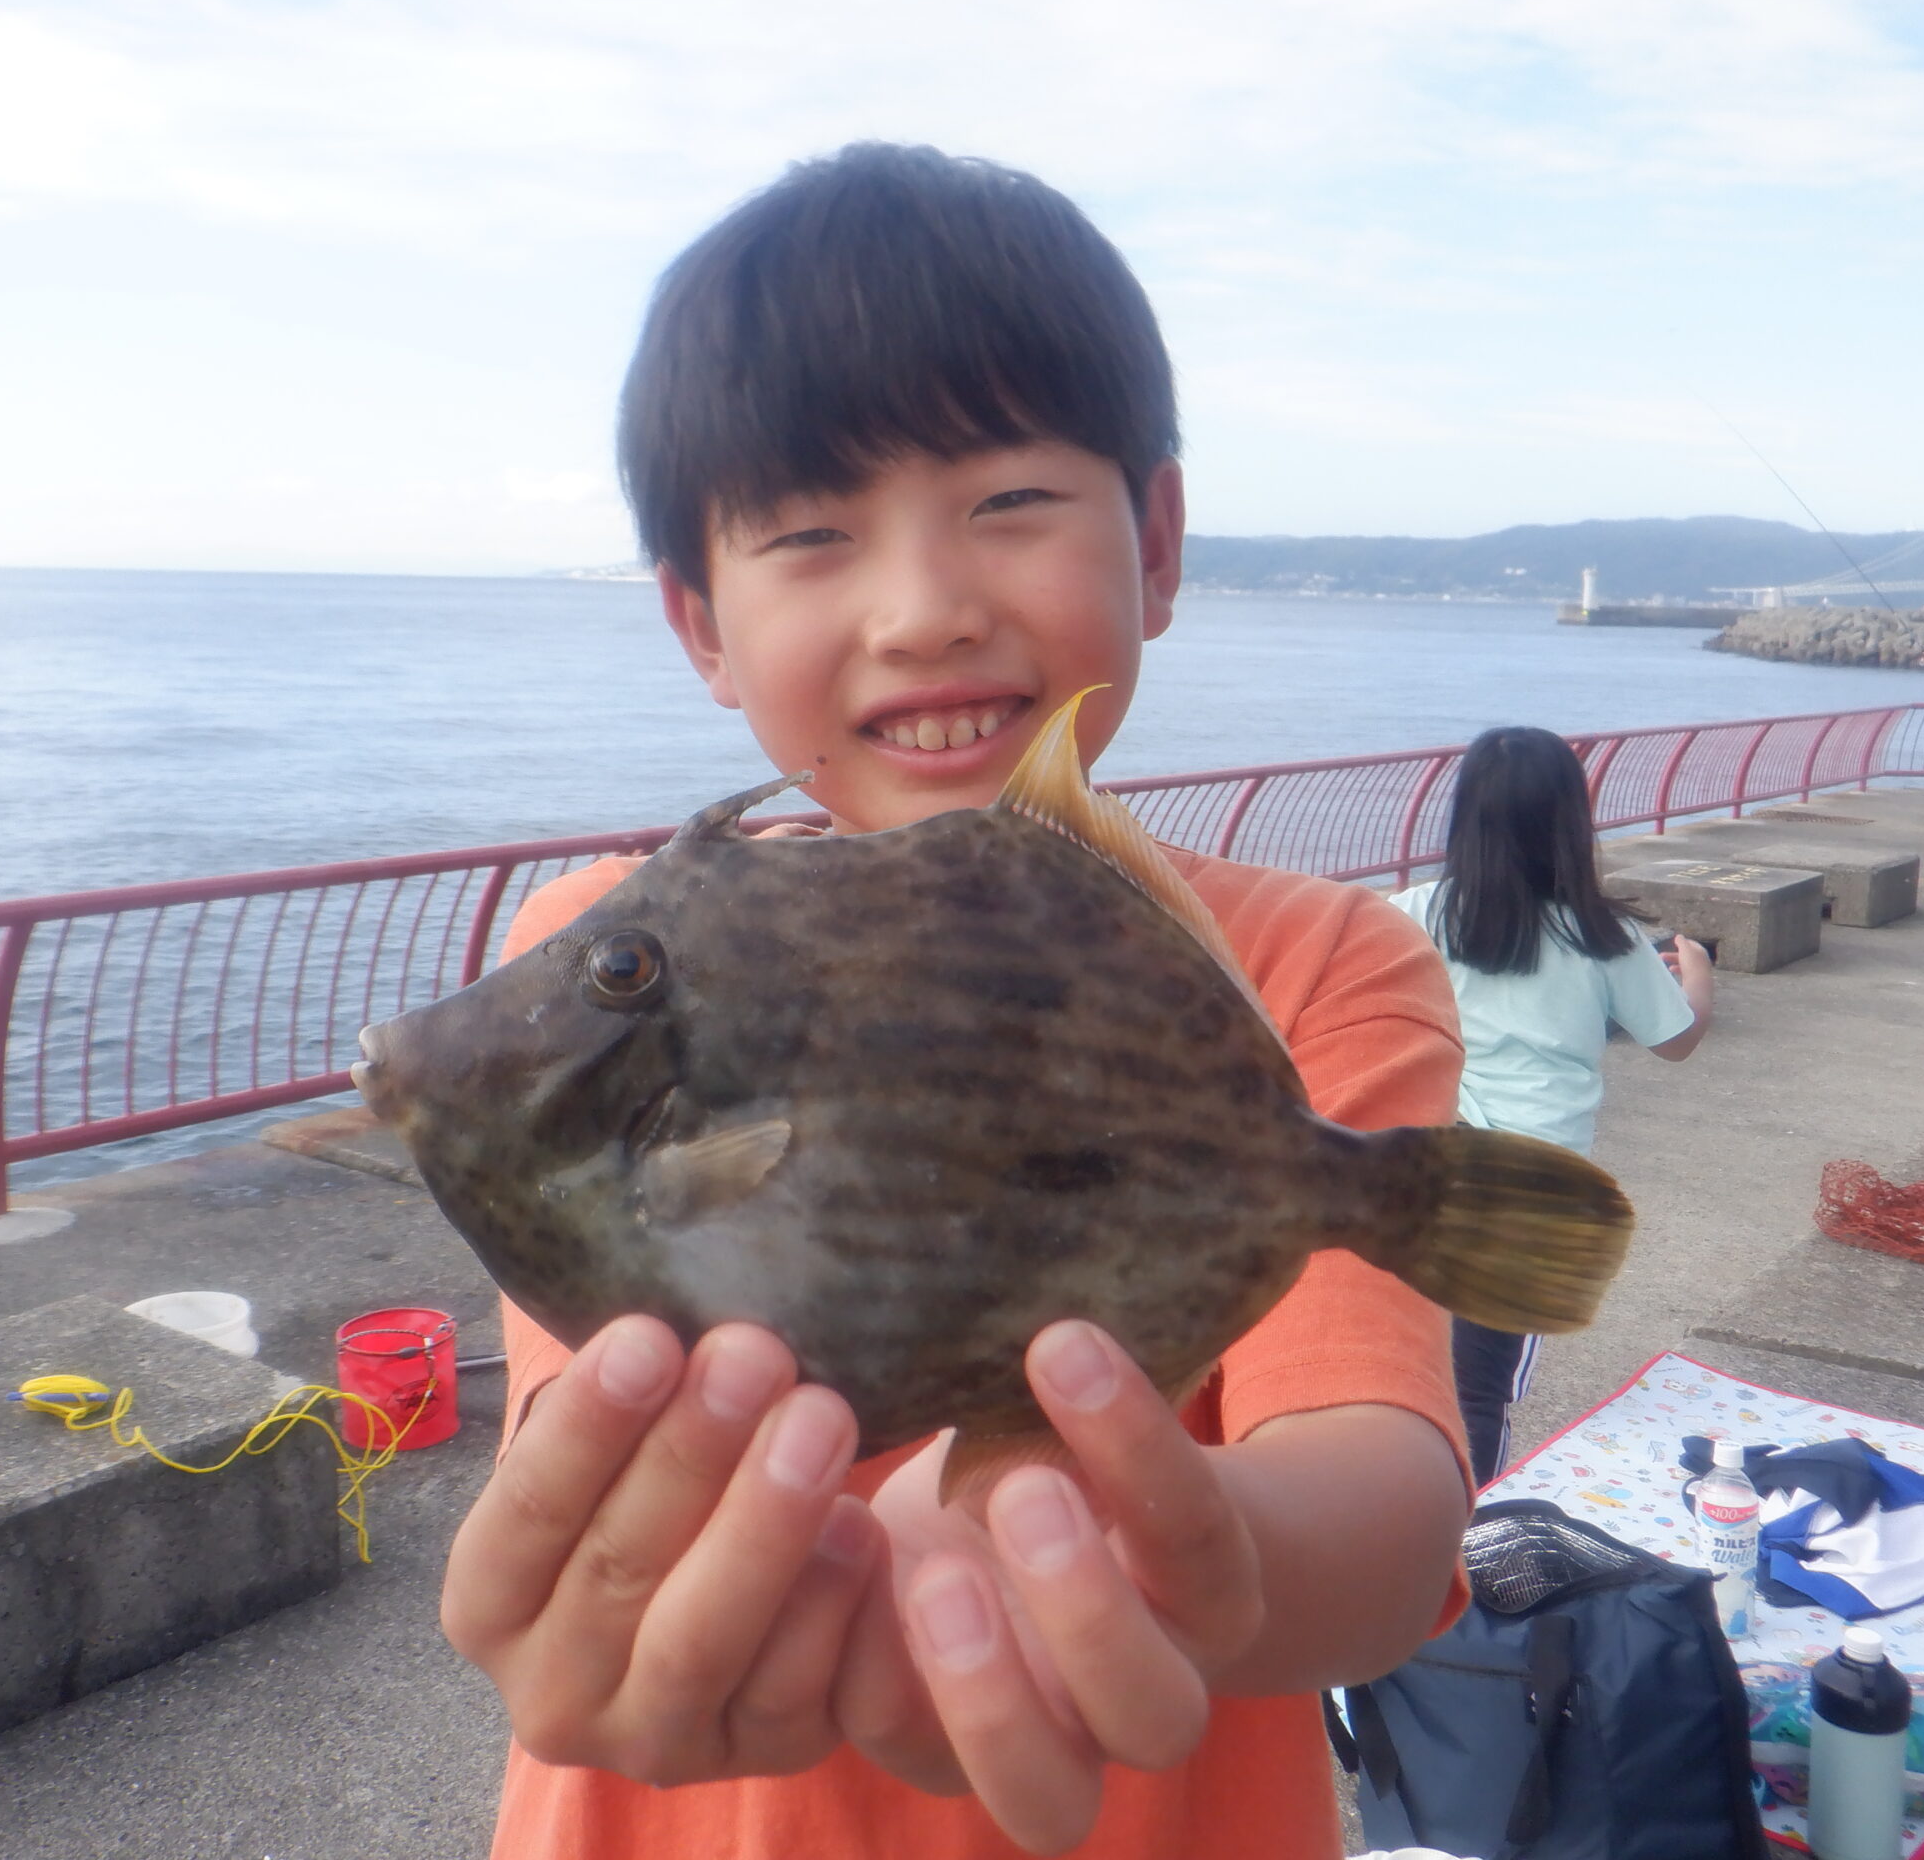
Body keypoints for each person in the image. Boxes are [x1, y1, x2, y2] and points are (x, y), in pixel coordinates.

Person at [438, 143, 1480, 1860]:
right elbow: (590, 1384)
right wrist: (602, 1567)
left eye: (1009, 502)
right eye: (810, 535)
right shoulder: (612, 955)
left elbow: (1383, 1505)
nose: (924, 612)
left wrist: (1155, 1542)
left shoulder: (1311, 968)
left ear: (1156, 543)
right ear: (701, 624)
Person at [1386, 727, 1712, 1485]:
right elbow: (1677, 1041)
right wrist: (1697, 976)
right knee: (1481, 1391)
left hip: (1428, 1168)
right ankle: (1467, 1535)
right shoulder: (1605, 934)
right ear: (1570, 820)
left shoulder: (1414, 913)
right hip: (1540, 1188)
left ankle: (1400, 1524)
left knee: (1405, 1367)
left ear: (1465, 815)